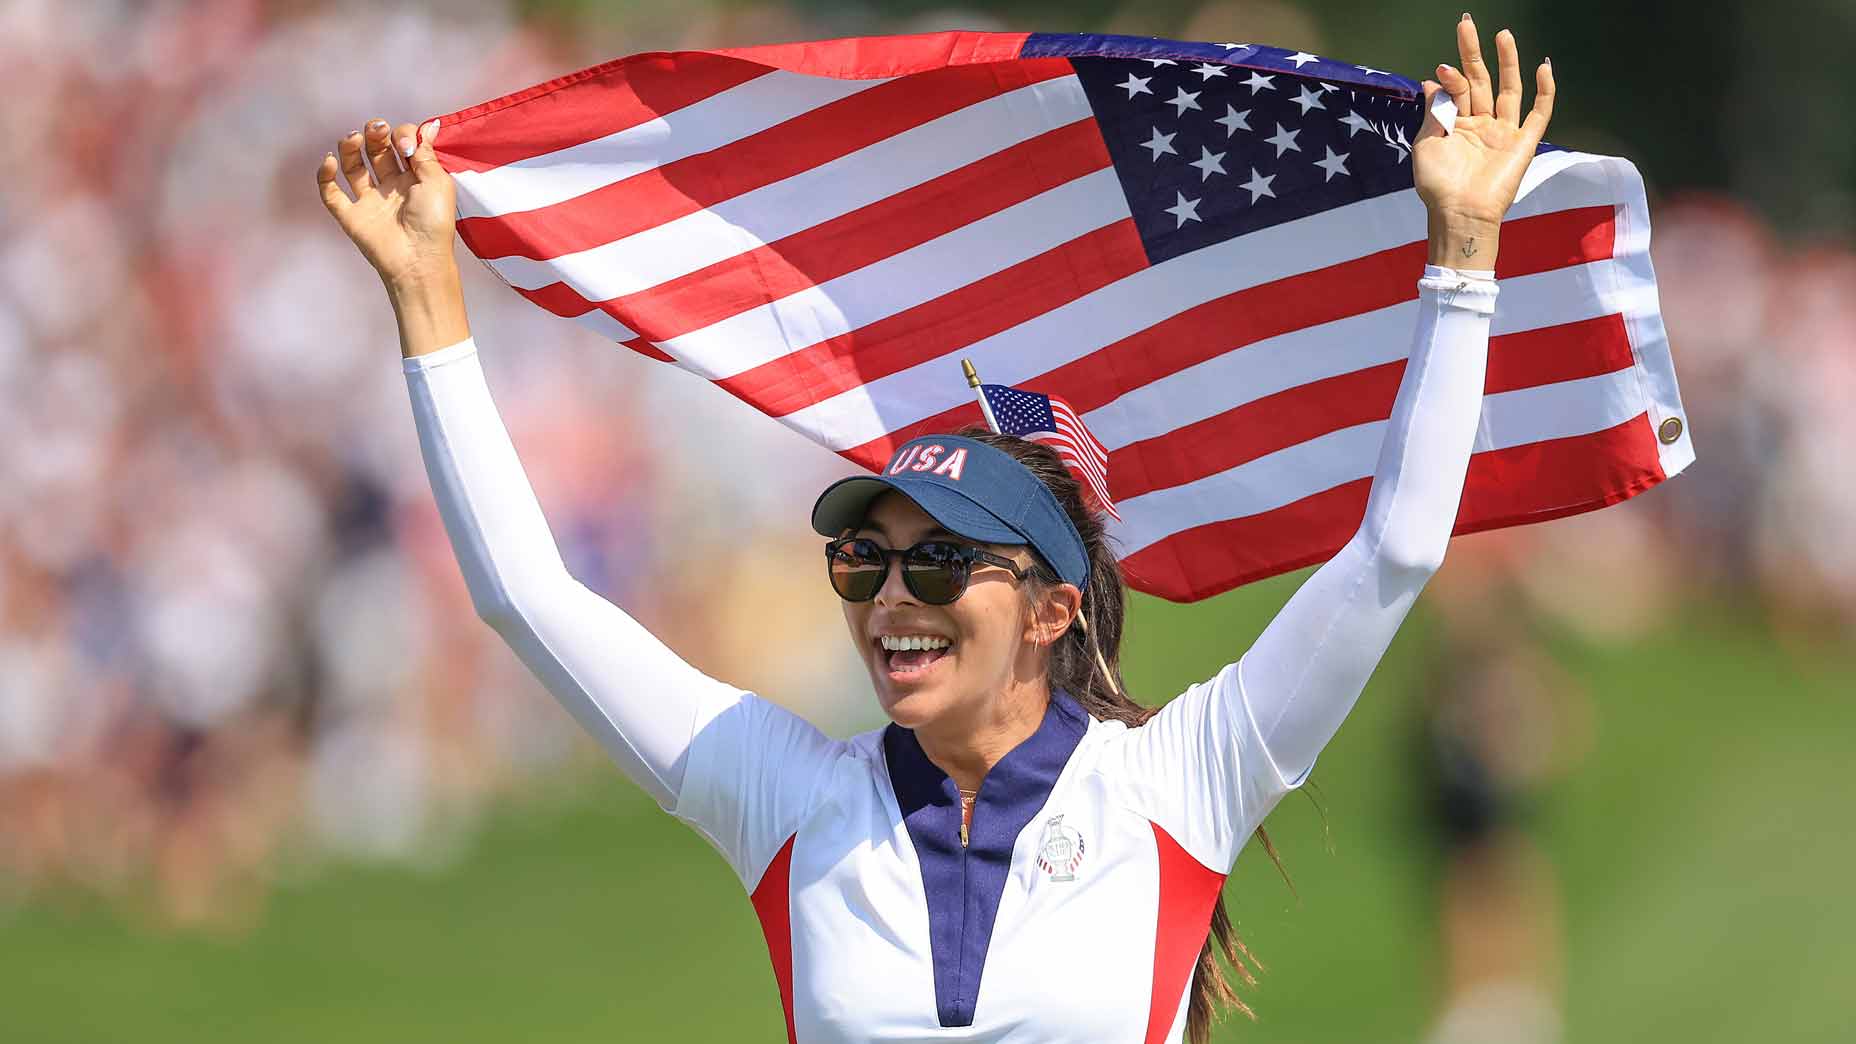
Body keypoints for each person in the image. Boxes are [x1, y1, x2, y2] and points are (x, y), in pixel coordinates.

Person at [317, 15, 1554, 1043]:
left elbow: (1391, 551)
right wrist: (427, 295)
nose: (891, 593)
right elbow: (528, 601)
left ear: (1050, 608)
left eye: (942, 560)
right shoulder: (792, 797)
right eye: (866, 558)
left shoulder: (1175, 783)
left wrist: (1461, 253)